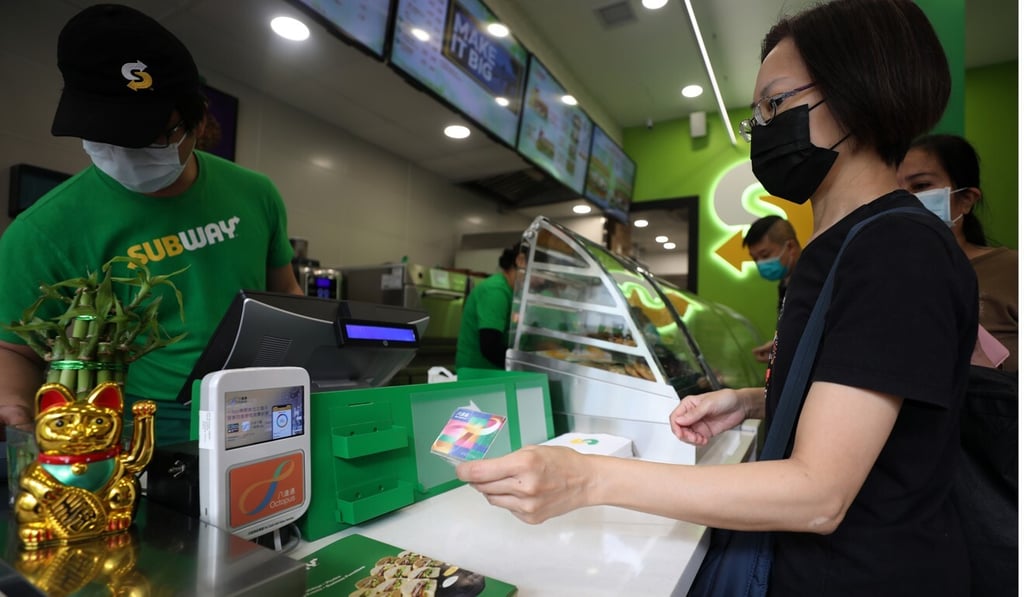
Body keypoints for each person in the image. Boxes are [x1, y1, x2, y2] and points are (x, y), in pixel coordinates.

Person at [456, 1, 976, 594]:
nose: (763, 127)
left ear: (857, 92)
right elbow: (866, 393)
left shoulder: (897, 249)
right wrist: (757, 400)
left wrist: (586, 480)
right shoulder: (841, 247)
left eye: (775, 104)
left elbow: (818, 493)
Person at [0, 4, 302, 446]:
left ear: (197, 122)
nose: (124, 152)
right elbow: (13, 349)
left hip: (261, 415)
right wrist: (16, 408)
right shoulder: (40, 232)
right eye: (104, 136)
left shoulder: (256, 193)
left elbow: (287, 296)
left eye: (149, 137)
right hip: (134, 438)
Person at [897, 133, 1018, 371]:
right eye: (895, 190)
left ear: (966, 200)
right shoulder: (884, 273)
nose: (905, 199)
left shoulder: (1011, 269)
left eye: (921, 186)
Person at [742, 215, 802, 362]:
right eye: (755, 259)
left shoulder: (813, 283)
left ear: (790, 247)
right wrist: (777, 348)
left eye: (765, 255)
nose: (760, 263)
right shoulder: (784, 284)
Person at [455, 243, 522, 371]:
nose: (541, 281)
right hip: (478, 375)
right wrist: (525, 366)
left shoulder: (514, 292)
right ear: (521, 261)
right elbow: (490, 347)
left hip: (494, 373)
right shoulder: (495, 291)